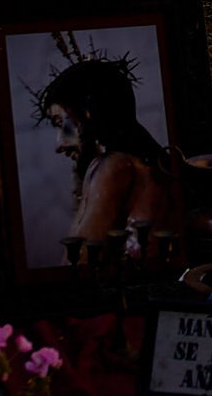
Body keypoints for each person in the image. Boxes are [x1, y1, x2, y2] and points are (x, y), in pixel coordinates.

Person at [33, 49, 178, 263]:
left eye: (60, 123)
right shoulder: (153, 161)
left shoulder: (114, 167)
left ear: (88, 112)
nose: (59, 145)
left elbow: (76, 265)